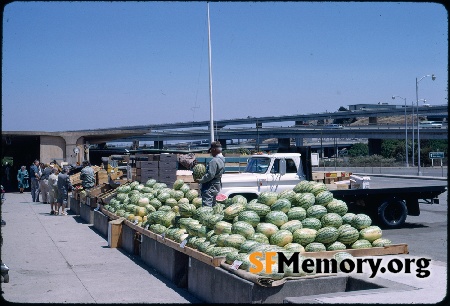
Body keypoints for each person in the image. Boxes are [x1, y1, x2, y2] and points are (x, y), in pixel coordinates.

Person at [197, 141, 225, 207]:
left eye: (211, 150)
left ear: (214, 149)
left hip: (210, 185)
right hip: (217, 184)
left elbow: (210, 175)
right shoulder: (222, 159)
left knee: (207, 205)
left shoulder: (214, 161)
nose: (211, 153)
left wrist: (201, 180)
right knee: (213, 204)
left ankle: (207, 217)